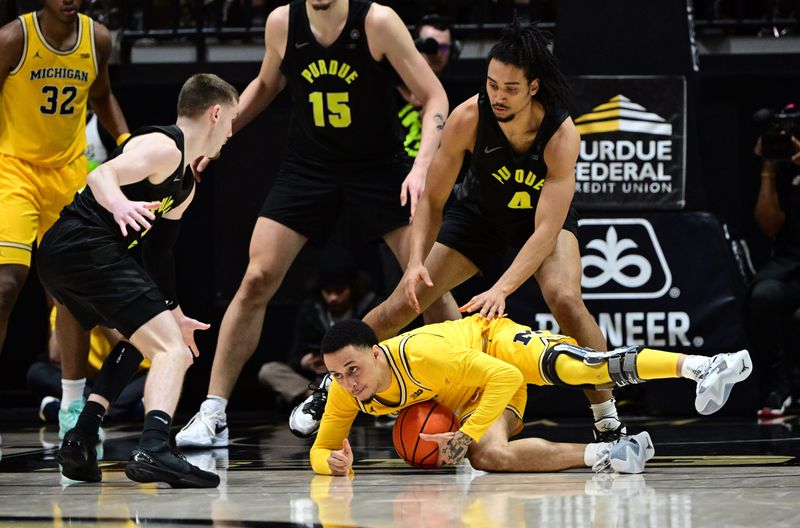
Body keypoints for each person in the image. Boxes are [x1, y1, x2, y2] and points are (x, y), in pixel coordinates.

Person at [287, 19, 622, 441]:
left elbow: (544, 232)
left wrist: (501, 289)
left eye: (510, 89)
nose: (497, 96)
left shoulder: (560, 135)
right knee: (400, 305)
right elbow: (431, 198)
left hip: (535, 221)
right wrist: (413, 263)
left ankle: (608, 418)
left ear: (534, 87)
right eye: (492, 84)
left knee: (566, 299)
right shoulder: (468, 116)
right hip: (480, 215)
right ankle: (327, 387)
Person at [177, 0, 457, 448]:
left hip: (376, 166)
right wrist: (218, 137)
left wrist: (422, 164)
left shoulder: (377, 22)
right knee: (256, 277)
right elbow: (267, 85)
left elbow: (435, 95)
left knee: (426, 281)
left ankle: (471, 402)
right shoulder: (282, 23)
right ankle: (213, 412)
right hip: (309, 166)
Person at [38, 73, 238, 487]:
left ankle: (80, 437)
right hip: (84, 246)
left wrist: (176, 313)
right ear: (216, 113)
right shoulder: (163, 146)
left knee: (145, 339)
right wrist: (120, 207)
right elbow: (101, 176)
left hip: (69, 257)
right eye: (232, 122)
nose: (231, 134)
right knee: (173, 353)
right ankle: (155, 448)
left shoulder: (184, 186)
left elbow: (158, 254)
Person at [311, 316, 752, 476]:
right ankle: (611, 455)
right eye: (337, 375)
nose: (349, 382)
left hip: (496, 349)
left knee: (584, 368)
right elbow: (322, 446)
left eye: (353, 369)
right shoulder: (346, 391)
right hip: (476, 395)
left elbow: (502, 376)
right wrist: (331, 463)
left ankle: (703, 366)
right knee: (488, 458)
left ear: (375, 353)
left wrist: (464, 434)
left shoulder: (423, 356)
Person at [0, 0, 129, 435]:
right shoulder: (13, 39)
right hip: (13, 169)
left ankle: (72, 406)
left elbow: (103, 96)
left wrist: (128, 140)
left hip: (69, 175)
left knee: (71, 290)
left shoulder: (98, 37)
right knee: (6, 284)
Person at [256, 247, 379, 413]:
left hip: (357, 376)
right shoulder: (311, 309)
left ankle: (339, 400)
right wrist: (307, 361)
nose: (333, 297)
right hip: (320, 379)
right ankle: (319, 399)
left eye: (339, 291)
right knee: (269, 371)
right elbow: (295, 355)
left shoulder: (370, 306)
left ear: (352, 287)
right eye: (328, 291)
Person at [749, 129, 800, 417]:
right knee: (763, 295)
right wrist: (768, 167)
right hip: (790, 261)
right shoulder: (782, 169)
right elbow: (768, 225)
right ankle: (777, 384)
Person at [28, 306, 149, 424]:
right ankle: (125, 411)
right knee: (37, 372)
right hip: (89, 383)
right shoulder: (66, 303)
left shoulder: (125, 302)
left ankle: (68, 410)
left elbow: (131, 352)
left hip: (129, 377)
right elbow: (55, 356)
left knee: (155, 378)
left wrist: (99, 317)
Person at [397, 14, 458, 159]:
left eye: (443, 47)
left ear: (453, 51)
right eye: (430, 45)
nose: (436, 53)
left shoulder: (458, 96)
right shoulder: (390, 86)